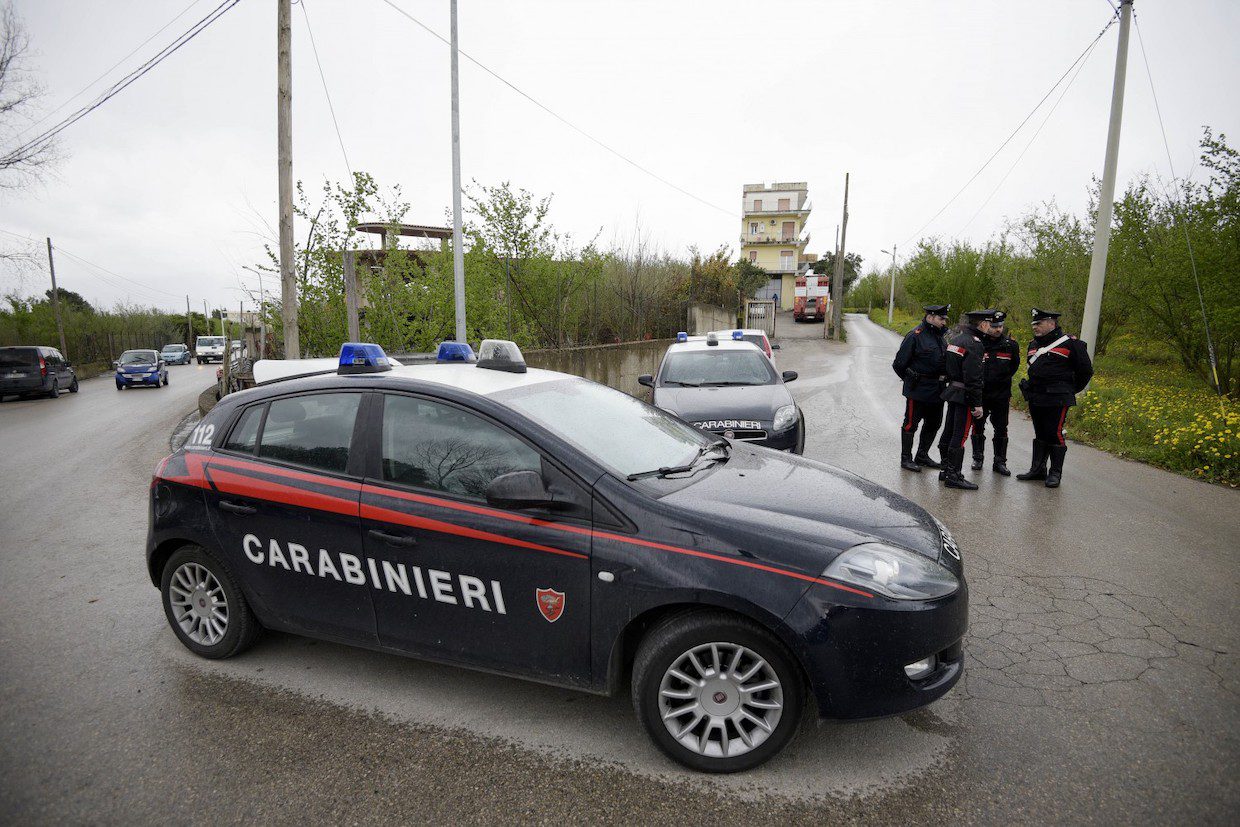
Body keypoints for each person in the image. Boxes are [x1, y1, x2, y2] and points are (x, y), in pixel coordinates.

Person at [1017, 308, 1094, 488]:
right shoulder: (1033, 345)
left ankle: (1055, 473)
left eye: (1039, 323)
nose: (1035, 327)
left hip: (1058, 397)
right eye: (1034, 324)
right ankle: (1038, 469)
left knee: (1054, 433)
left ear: (1052, 323)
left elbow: (1086, 371)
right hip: (1037, 395)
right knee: (1040, 432)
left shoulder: (1071, 344)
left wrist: (1070, 389)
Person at [892, 304, 950, 472]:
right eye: (941, 318)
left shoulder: (941, 336)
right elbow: (899, 364)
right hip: (918, 389)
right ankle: (906, 458)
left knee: (934, 423)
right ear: (930, 317)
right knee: (911, 424)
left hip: (938, 389)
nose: (944, 322)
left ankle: (922, 455)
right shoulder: (915, 336)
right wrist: (910, 381)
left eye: (945, 319)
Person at [939, 310, 988, 490]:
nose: (989, 327)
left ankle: (945, 469)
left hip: (953, 391)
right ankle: (953, 475)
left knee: (949, 431)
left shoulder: (957, 339)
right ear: (982, 325)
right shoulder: (975, 344)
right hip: (964, 395)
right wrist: (977, 404)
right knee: (959, 435)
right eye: (988, 324)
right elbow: (973, 377)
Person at [971, 310, 1020, 475]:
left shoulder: (1010, 345)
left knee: (1001, 427)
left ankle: (1000, 462)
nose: (998, 329)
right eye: (994, 326)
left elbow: (1014, 367)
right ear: (986, 325)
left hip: (1001, 394)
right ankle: (978, 458)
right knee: (978, 425)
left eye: (1000, 326)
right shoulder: (978, 343)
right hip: (982, 394)